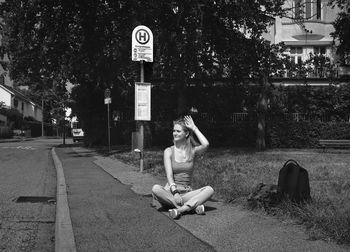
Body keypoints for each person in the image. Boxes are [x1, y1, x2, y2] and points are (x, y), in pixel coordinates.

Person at [152, 115, 214, 219]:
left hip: (187, 192)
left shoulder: (193, 151)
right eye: (174, 131)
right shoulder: (168, 151)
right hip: (171, 192)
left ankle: (180, 210)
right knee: (156, 189)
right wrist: (175, 193)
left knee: (209, 190)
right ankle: (192, 207)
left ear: (186, 134)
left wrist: (194, 128)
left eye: (178, 131)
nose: (174, 133)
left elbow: (206, 144)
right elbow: (169, 175)